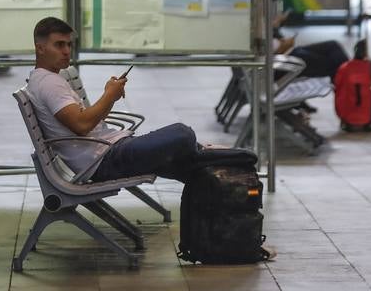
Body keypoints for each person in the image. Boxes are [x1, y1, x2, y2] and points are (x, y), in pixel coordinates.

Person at [25, 16, 231, 184]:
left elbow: (85, 121)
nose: (67, 51)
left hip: (107, 149)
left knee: (188, 162)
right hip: (104, 159)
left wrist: (110, 96)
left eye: (69, 44)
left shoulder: (47, 78)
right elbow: (81, 125)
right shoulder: (49, 83)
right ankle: (215, 156)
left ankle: (216, 166)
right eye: (59, 45)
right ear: (40, 48)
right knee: (182, 133)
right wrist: (109, 95)